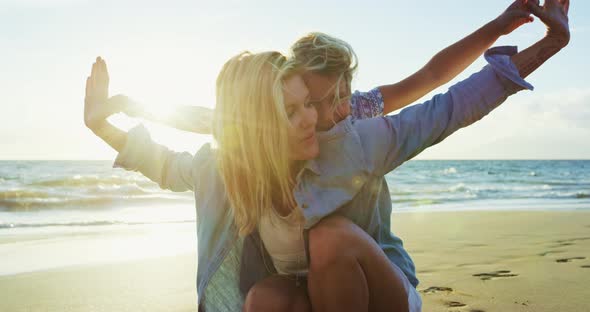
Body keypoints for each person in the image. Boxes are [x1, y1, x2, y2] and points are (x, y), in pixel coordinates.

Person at [83, 0, 570, 311]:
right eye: (298, 108)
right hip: (306, 296)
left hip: (378, 293)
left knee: (331, 238)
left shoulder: (357, 136)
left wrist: (547, 42)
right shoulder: (229, 166)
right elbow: (171, 161)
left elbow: (446, 103)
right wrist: (103, 122)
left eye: (314, 103)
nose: (316, 117)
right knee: (263, 298)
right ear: (262, 126)